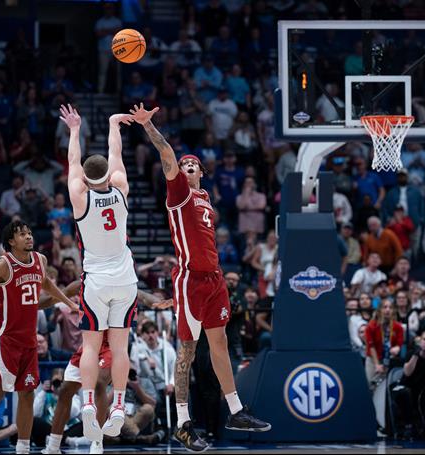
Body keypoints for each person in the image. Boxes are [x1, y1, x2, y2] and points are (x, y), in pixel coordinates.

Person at [130, 102, 270, 452]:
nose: (187, 167)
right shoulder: (178, 193)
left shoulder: (206, 199)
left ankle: (236, 410)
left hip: (215, 280)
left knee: (219, 344)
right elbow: (165, 152)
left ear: (201, 174)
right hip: (190, 279)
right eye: (184, 164)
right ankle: (182, 422)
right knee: (187, 352)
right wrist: (149, 126)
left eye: (193, 165)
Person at [0, 221, 78, 454]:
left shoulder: (40, 260)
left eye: (29, 232)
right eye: (22, 234)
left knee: (27, 393)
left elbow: (45, 282)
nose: (28, 237)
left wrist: (69, 303)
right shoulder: (1, 265)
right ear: (11, 241)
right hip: (6, 338)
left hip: (29, 340)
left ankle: (23, 449)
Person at [59, 104, 138, 443]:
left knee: (91, 347)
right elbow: (115, 154)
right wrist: (113, 125)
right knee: (120, 348)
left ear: (85, 180)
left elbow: (72, 163)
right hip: (125, 279)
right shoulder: (120, 189)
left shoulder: (79, 197)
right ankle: (118, 406)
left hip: (96, 280)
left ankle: (89, 402)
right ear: (107, 175)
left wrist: (74, 130)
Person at [40, 281, 170, 455]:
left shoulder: (119, 280)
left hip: (112, 345)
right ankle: (53, 446)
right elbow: (57, 294)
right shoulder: (84, 280)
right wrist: (30, 304)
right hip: (88, 345)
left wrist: (159, 301)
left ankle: (96, 443)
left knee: (99, 383)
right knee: (65, 390)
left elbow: (143, 295)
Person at [392, 331, 425, 438]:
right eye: (424, 339)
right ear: (420, 341)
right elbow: (407, 373)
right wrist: (415, 356)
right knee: (405, 393)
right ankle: (408, 425)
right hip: (408, 387)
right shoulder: (411, 354)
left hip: (424, 390)